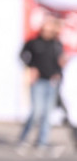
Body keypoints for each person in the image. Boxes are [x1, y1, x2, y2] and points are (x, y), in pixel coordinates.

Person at [17, 12, 67, 156]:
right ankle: (24, 138)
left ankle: (42, 142)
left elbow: (59, 61)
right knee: (36, 112)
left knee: (47, 114)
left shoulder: (57, 44)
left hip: (52, 82)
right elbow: (22, 56)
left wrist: (59, 71)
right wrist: (31, 67)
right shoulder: (34, 42)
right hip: (38, 81)